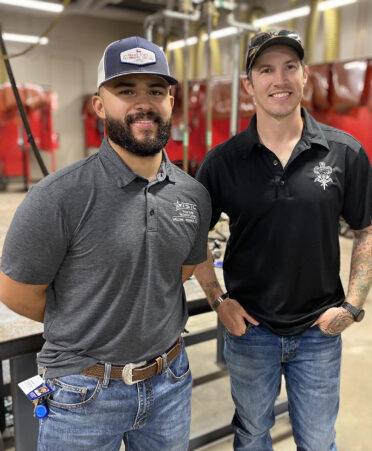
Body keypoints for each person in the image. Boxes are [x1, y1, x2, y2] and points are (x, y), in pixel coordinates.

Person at [0, 36, 211, 451]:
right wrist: (85, 315)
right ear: (99, 105)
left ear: (171, 101)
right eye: (125, 90)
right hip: (82, 392)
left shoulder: (192, 194)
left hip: (169, 382)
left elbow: (180, 272)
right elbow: (16, 292)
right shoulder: (59, 196)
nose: (143, 103)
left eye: (155, 90)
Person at [194, 30, 372, 450]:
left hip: (319, 331)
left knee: (317, 440)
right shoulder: (223, 161)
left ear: (305, 75)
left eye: (290, 67)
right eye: (266, 69)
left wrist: (352, 306)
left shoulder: (344, 152)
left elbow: (365, 229)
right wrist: (218, 301)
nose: (280, 79)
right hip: (250, 331)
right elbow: (192, 237)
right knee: (252, 435)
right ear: (248, 84)